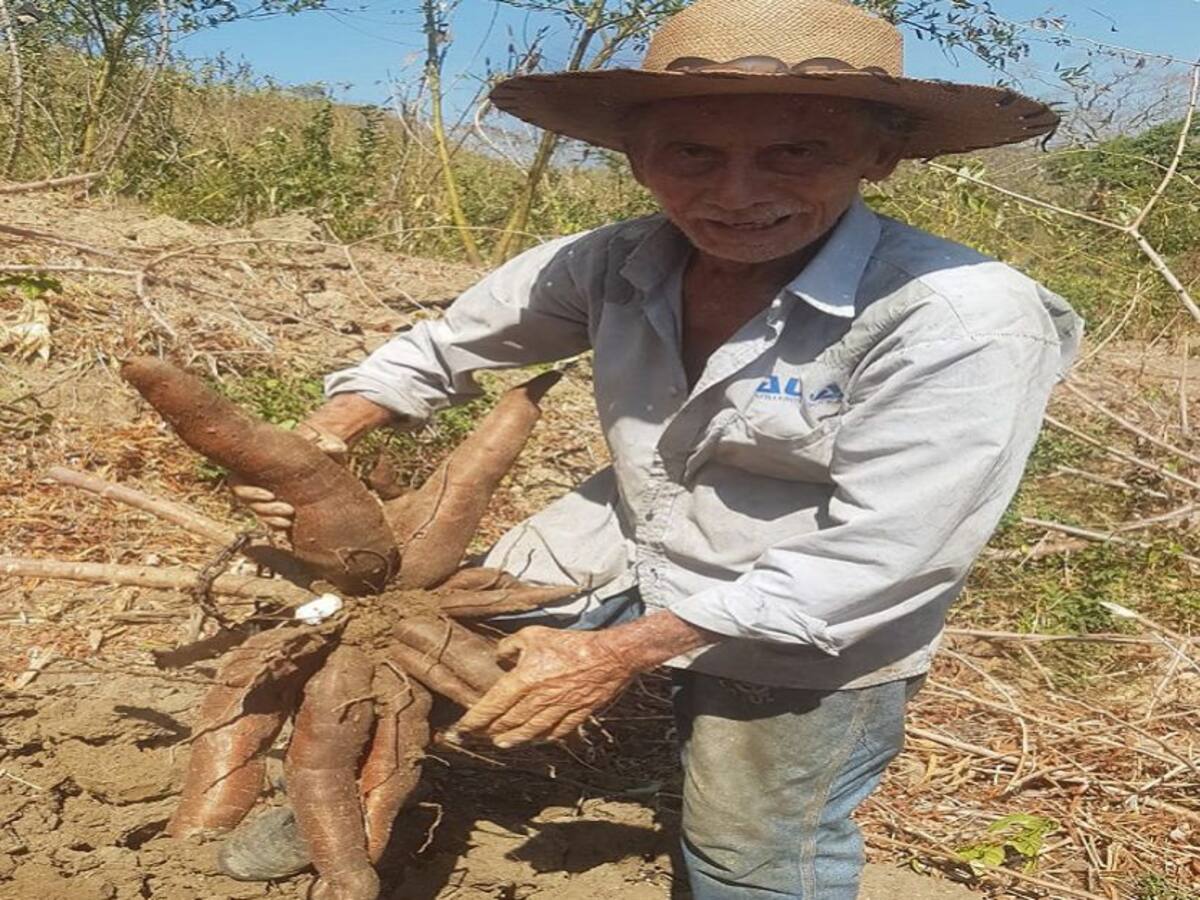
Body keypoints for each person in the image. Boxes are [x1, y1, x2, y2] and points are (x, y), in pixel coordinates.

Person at [235, 0, 1082, 896]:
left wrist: (618, 653)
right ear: (638, 157)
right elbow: (447, 347)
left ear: (878, 156)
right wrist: (326, 436)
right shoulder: (616, 260)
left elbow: (883, 556)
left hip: (816, 593)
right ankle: (343, 795)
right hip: (631, 521)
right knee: (417, 647)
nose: (737, 194)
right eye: (693, 155)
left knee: (747, 844)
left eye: (796, 153)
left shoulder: (961, 316)